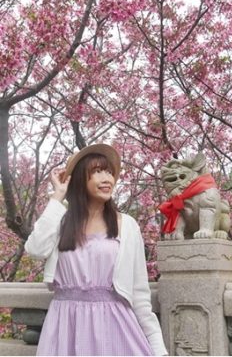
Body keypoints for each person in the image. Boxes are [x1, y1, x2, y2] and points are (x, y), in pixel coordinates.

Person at [24, 144, 167, 356]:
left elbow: (139, 292)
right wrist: (58, 196)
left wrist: (157, 346)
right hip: (65, 326)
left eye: (109, 172)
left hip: (114, 327)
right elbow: (35, 249)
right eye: (98, 171)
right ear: (81, 178)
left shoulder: (126, 226)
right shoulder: (61, 222)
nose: (107, 178)